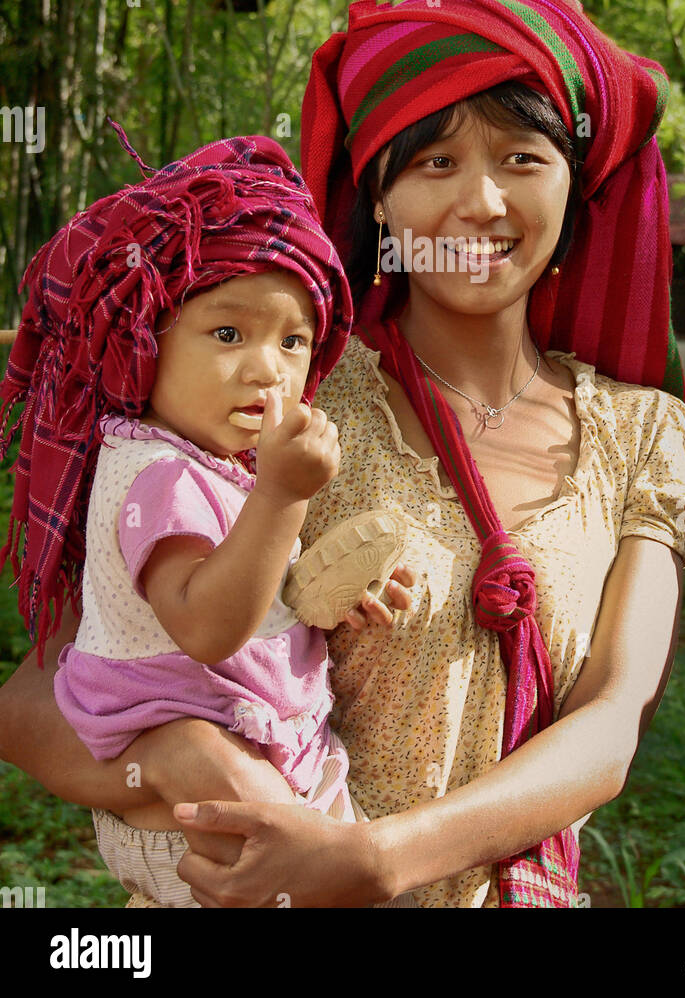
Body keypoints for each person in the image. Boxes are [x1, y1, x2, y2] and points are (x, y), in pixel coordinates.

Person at [0, 0, 685, 909]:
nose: (482, 199)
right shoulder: (274, 400)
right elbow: (34, 709)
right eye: (435, 160)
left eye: (522, 158)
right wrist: (194, 769)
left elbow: (611, 722)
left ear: (571, 192)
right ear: (376, 195)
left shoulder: (643, 438)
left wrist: (371, 861)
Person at [0, 124, 415, 908]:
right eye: (228, 333)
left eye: (295, 342)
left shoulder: (217, 466)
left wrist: (330, 598)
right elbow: (205, 624)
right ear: (143, 347)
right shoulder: (156, 474)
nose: (267, 368)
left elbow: (258, 599)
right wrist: (283, 497)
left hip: (258, 765)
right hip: (191, 806)